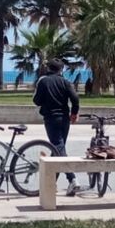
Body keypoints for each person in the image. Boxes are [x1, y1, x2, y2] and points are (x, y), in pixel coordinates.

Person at [33, 59, 82, 196]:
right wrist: (74, 113)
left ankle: (72, 179)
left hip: (50, 118)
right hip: (64, 119)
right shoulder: (65, 82)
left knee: (58, 148)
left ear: (49, 68)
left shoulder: (43, 81)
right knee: (59, 148)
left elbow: (36, 101)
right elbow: (75, 98)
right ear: (61, 69)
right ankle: (51, 183)